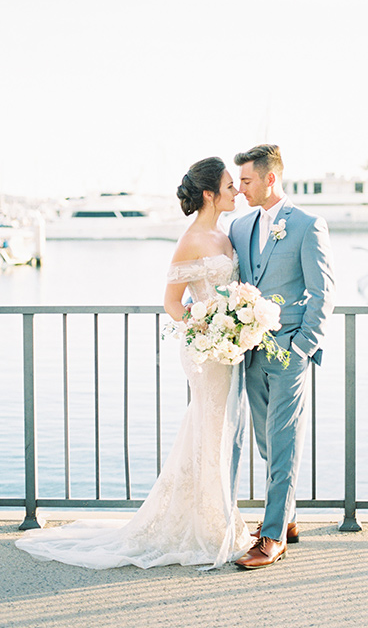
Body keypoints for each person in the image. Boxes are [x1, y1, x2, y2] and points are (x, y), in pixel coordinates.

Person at [16, 157, 252, 569]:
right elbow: (173, 304)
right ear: (211, 194)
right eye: (230, 186)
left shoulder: (225, 232)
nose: (237, 192)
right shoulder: (192, 240)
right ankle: (211, 527)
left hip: (226, 350)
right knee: (209, 427)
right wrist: (208, 331)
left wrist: (232, 328)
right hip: (206, 351)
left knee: (215, 429)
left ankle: (216, 515)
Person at [229, 144, 335, 570]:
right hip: (251, 352)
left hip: (289, 351)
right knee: (265, 442)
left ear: (271, 179)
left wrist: (301, 348)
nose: (241, 189)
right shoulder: (239, 226)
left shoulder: (308, 225)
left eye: (248, 181)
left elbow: (322, 292)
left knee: (285, 442)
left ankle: (272, 537)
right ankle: (286, 516)